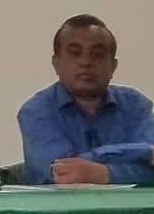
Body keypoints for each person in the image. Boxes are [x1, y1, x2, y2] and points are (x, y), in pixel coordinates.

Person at [17, 14, 154, 185]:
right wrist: (143, 151)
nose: (86, 62)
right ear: (56, 63)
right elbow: (64, 173)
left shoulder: (135, 105)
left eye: (97, 54)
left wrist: (104, 174)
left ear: (113, 66)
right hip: (61, 203)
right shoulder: (36, 111)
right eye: (75, 53)